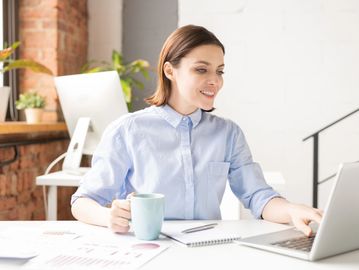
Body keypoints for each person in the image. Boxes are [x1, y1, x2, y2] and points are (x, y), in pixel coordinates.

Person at [71, 25, 323, 237]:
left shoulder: (228, 134)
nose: (215, 80)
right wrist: (108, 216)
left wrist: (291, 210)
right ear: (170, 70)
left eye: (220, 71)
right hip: (150, 248)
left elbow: (258, 196)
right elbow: (82, 202)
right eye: (201, 69)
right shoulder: (128, 130)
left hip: (208, 249)